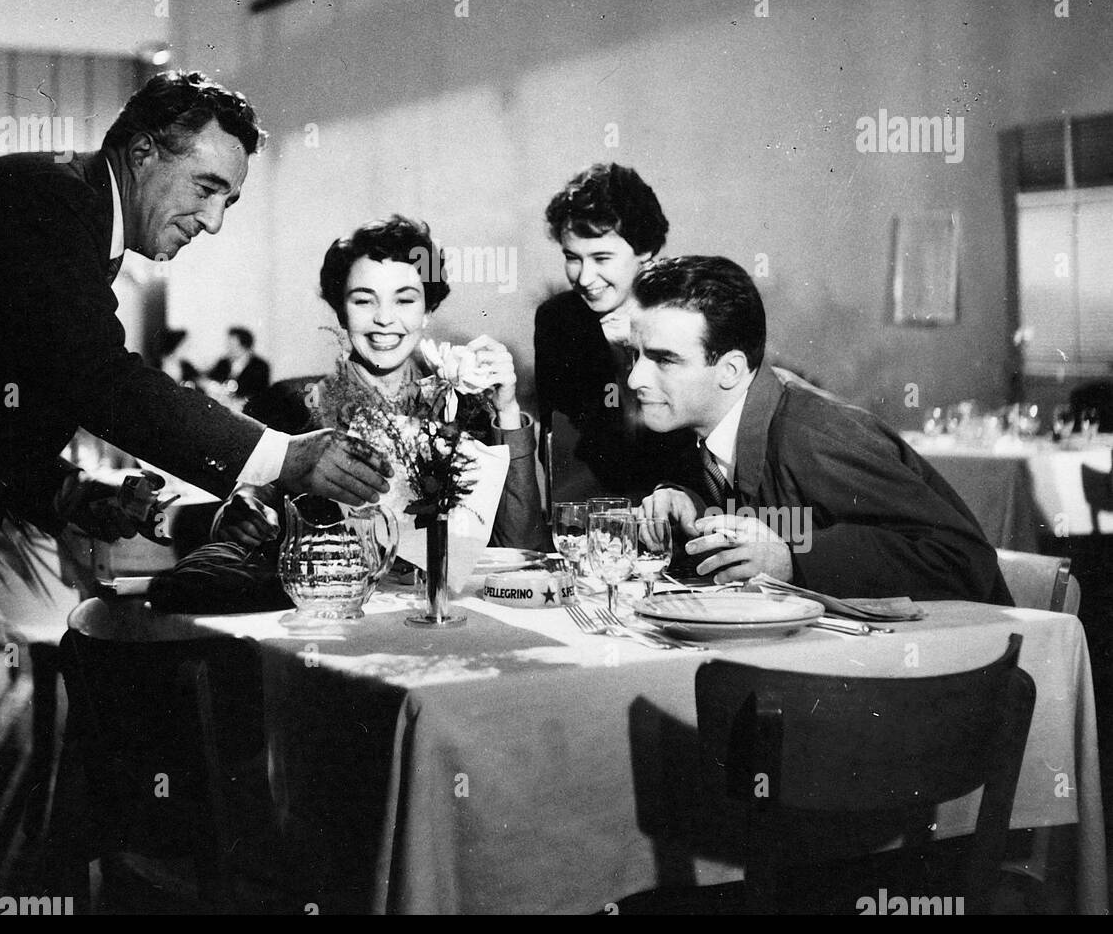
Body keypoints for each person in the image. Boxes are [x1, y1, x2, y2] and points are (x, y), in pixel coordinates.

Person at [0, 70, 387, 910]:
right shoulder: (47, 206)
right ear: (143, 148)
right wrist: (281, 456)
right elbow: (99, 379)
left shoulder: (61, 219)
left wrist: (75, 496)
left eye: (231, 199)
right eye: (206, 187)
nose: (214, 220)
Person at [154, 215, 550, 612]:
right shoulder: (292, 403)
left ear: (427, 310)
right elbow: (254, 498)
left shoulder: (462, 407)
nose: (384, 318)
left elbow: (522, 549)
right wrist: (242, 509)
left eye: (405, 299)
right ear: (341, 312)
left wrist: (507, 409)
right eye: (364, 300)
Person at [629, 256, 1011, 602]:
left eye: (664, 360)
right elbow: (774, 519)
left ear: (730, 370)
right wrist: (691, 508)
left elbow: (963, 558)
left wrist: (793, 561)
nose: (634, 379)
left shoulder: (815, 435)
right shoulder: (707, 426)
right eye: (636, 355)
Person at [535, 162, 699, 501]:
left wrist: (632, 352)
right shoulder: (558, 321)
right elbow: (561, 447)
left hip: (682, 504)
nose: (583, 277)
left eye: (601, 257)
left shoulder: (686, 316)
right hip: (591, 507)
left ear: (645, 250)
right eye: (573, 257)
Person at [207, 326, 271, 401]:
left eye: (232, 345)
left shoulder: (260, 366)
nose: (228, 348)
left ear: (244, 346)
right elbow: (211, 379)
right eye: (228, 344)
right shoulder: (223, 362)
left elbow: (259, 392)